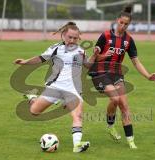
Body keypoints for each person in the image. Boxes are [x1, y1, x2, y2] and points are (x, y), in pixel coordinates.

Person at [14, 22, 96, 153]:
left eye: (75, 38)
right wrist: (25, 62)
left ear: (79, 38)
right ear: (63, 35)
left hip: (72, 90)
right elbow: (40, 58)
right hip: (55, 88)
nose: (72, 40)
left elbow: (87, 65)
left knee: (78, 116)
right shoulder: (56, 48)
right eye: (70, 37)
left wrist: (95, 55)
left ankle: (77, 145)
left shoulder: (81, 51)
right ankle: (33, 98)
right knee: (34, 112)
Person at [89, 6, 155, 149]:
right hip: (100, 73)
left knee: (124, 105)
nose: (123, 26)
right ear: (117, 20)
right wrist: (102, 54)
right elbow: (95, 58)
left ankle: (131, 141)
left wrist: (147, 75)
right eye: (121, 22)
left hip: (116, 74)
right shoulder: (105, 36)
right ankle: (110, 126)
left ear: (129, 24)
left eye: (126, 24)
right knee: (114, 98)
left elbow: (136, 61)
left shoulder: (128, 40)